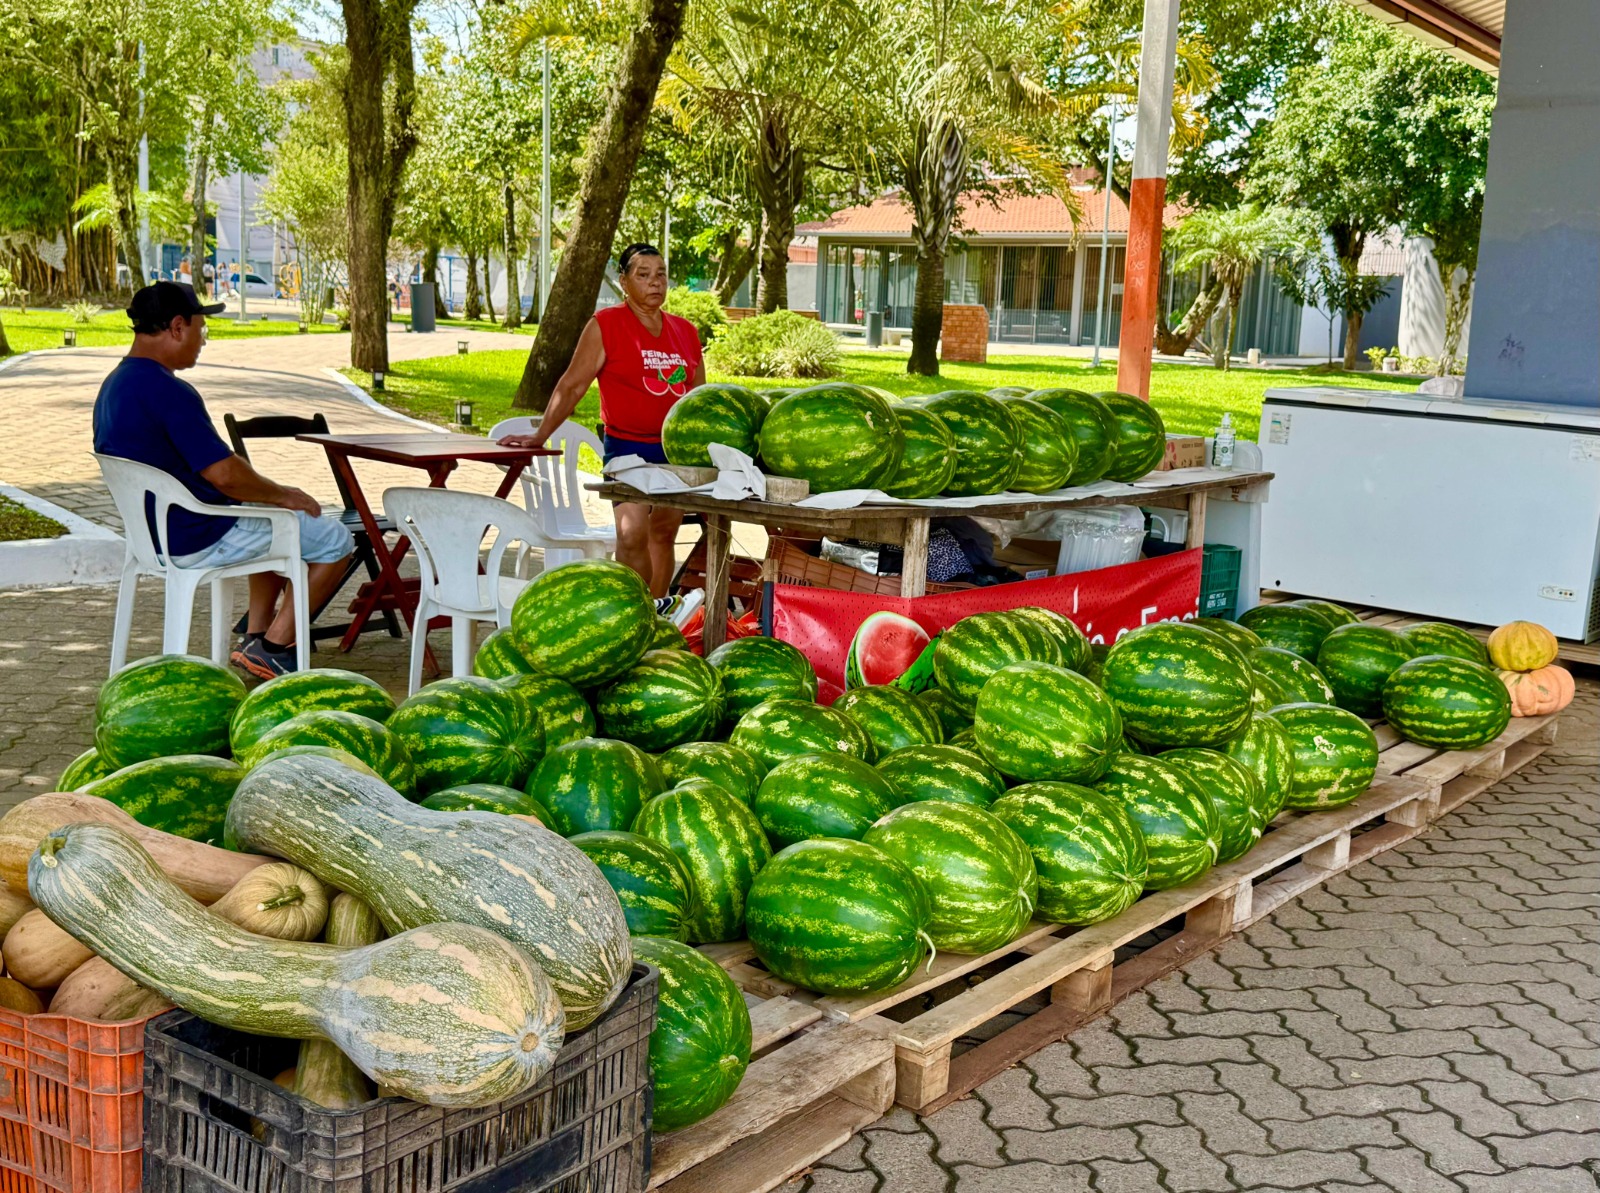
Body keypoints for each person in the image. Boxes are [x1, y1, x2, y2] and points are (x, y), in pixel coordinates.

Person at [93, 282, 354, 679]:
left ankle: (256, 635)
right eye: (201, 329)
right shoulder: (168, 391)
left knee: (267, 515)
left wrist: (269, 497)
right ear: (177, 327)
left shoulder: (114, 386)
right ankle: (275, 647)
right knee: (335, 540)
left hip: (155, 536)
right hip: (199, 534)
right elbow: (225, 475)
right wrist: (285, 495)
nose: (203, 340)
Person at [498, 244, 703, 599]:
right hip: (627, 448)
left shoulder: (685, 331)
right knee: (631, 532)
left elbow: (698, 396)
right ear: (624, 281)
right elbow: (572, 385)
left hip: (675, 451)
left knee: (664, 532)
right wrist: (540, 435)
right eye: (643, 275)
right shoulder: (606, 325)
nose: (655, 282)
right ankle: (630, 606)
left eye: (661, 274)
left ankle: (656, 611)